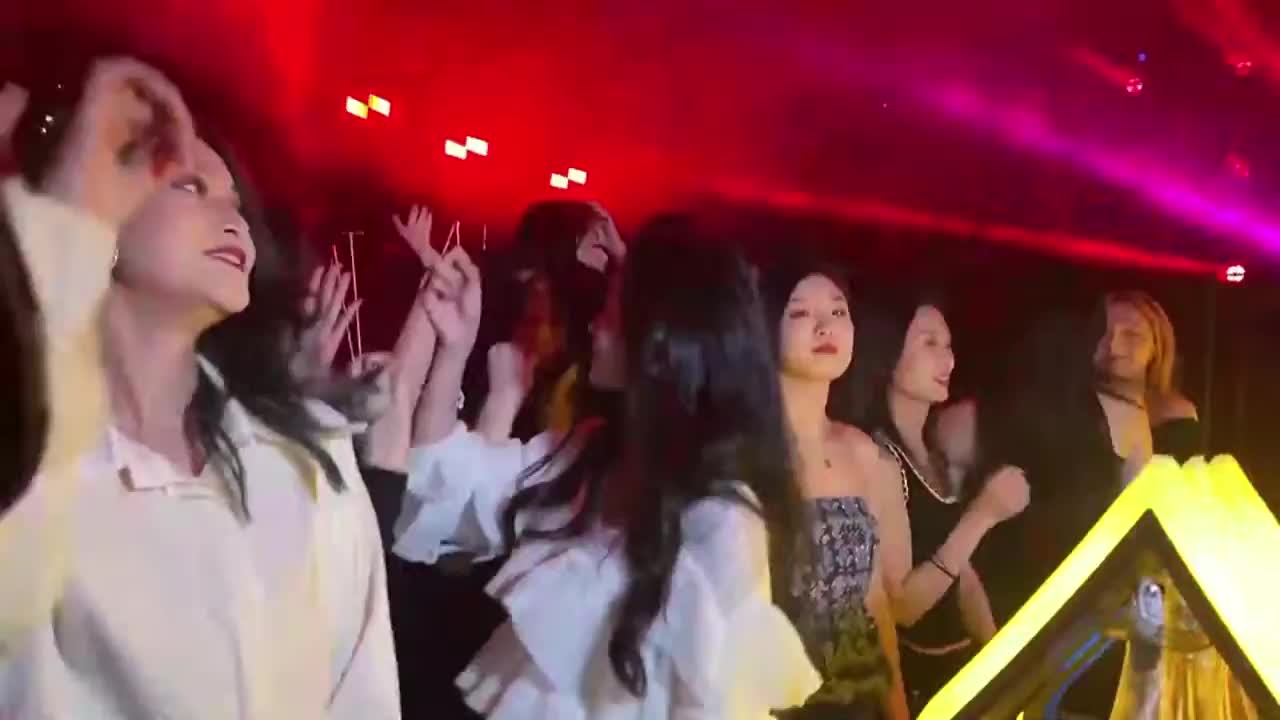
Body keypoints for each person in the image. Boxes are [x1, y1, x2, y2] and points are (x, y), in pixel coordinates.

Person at [0, 57, 399, 718]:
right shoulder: (35, 463)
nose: (234, 219)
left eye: (237, 202)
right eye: (191, 186)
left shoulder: (309, 459)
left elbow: (366, 694)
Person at [391, 217, 821, 717]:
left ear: (660, 339)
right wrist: (453, 351)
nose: (596, 325)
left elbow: (706, 701)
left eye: (613, 312)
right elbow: (448, 487)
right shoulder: (590, 453)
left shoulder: (722, 519)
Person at [839, 292, 1029, 712]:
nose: (948, 359)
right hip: (918, 689)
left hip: (959, 675)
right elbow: (902, 608)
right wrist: (982, 515)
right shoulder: (882, 459)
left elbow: (963, 576)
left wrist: (1005, 669)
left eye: (948, 345)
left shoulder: (931, 453)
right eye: (929, 343)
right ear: (888, 356)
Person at [758, 262, 910, 720]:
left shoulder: (861, 452)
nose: (825, 326)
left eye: (838, 312)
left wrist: (899, 710)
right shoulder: (750, 453)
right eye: (801, 312)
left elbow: (874, 601)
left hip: (858, 698)